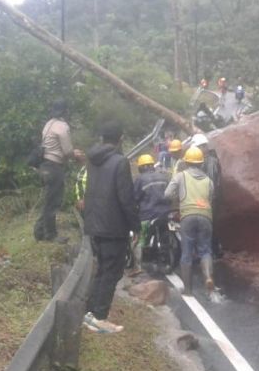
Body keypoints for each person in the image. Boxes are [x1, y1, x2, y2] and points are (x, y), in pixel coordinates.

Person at [83, 121, 140, 334]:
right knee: (111, 273)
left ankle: (89, 314)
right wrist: (135, 226)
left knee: (102, 271)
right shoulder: (119, 162)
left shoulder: (93, 160)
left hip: (94, 225)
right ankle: (99, 318)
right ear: (120, 139)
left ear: (101, 138)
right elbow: (126, 197)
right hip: (113, 226)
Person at [164, 146, 215, 295]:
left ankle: (187, 289)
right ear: (201, 163)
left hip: (187, 216)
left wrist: (179, 198)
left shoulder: (180, 176)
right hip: (206, 216)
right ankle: (208, 277)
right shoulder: (208, 181)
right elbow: (210, 199)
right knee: (205, 250)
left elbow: (167, 194)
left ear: (186, 162)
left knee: (187, 252)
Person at [33, 99, 83, 243]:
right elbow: (67, 151)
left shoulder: (48, 124)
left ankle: (39, 231)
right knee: (53, 202)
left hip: (44, 166)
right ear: (65, 111)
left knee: (49, 200)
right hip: (54, 167)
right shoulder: (62, 126)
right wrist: (76, 154)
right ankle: (50, 235)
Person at [131, 153, 172, 275]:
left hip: (148, 215)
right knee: (165, 237)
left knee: (139, 240)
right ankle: (166, 261)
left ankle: (137, 266)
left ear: (141, 167)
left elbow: (135, 198)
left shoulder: (140, 179)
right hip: (165, 213)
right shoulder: (163, 176)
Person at [190, 133, 223, 258]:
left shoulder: (211, 162)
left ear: (203, 147)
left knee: (207, 226)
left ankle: (212, 251)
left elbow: (211, 182)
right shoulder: (205, 160)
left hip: (209, 200)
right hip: (205, 199)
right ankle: (211, 250)